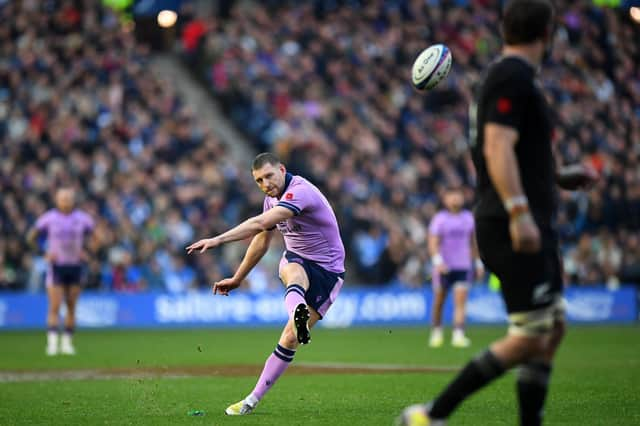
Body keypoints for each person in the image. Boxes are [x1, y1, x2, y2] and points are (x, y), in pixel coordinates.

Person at [397, 1, 598, 425]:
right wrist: (520, 211)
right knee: (529, 335)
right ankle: (431, 415)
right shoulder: (511, 76)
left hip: (521, 215)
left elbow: (514, 148)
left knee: (551, 327)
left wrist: (557, 176)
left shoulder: (507, 77)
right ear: (548, 33)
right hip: (510, 220)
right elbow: (496, 147)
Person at [186, 152, 346, 415]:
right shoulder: (270, 201)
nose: (265, 184)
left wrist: (216, 240)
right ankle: (250, 401)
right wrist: (238, 278)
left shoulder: (300, 191)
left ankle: (296, 320)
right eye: (259, 180)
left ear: (282, 170)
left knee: (290, 338)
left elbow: (260, 223)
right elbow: (261, 239)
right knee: (292, 271)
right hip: (297, 260)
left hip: (329, 271)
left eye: (269, 176)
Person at [26, 188, 95, 356]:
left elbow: (97, 236)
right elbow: (31, 237)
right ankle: (52, 344)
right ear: (57, 200)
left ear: (73, 200)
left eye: (68, 199)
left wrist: (88, 252)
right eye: (62, 199)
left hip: (75, 266)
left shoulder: (82, 218)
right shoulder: (49, 218)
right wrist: (44, 253)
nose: (65, 202)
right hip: (56, 266)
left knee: (71, 307)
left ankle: (67, 343)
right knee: (55, 306)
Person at [427, 187, 483, 349]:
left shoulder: (469, 218)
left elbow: (474, 243)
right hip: (444, 267)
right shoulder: (440, 218)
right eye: (452, 196)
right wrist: (438, 262)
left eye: (458, 196)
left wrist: (478, 263)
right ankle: (436, 332)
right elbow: (433, 242)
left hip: (463, 265)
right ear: (445, 200)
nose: (455, 199)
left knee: (460, 302)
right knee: (439, 301)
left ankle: (458, 335)